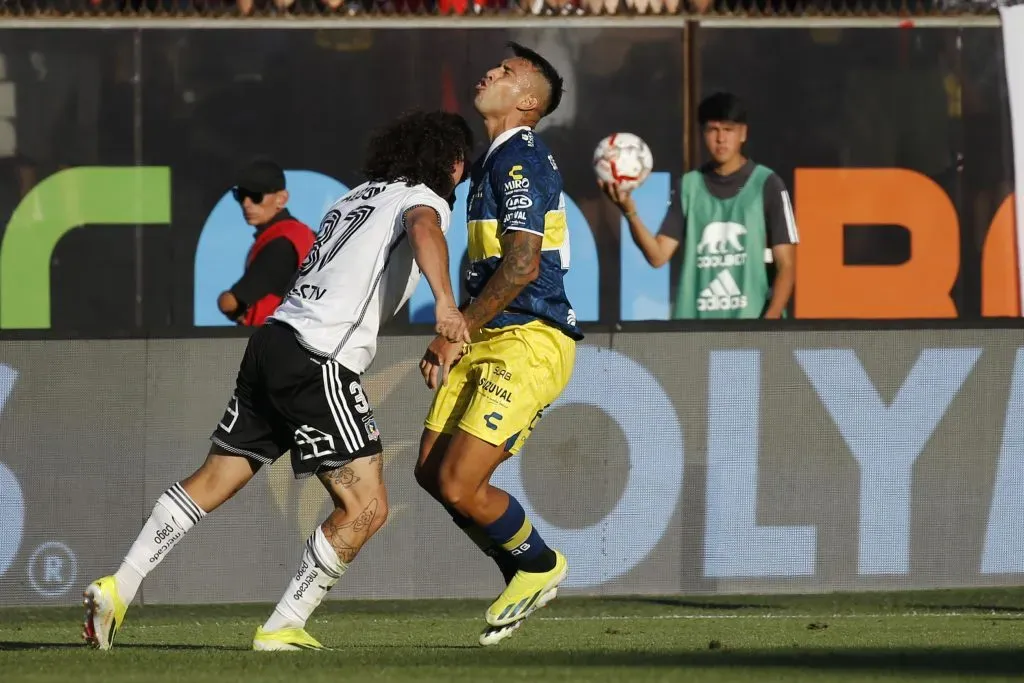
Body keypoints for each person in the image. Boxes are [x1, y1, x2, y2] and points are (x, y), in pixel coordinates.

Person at [82, 110, 474, 652]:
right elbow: (424, 228)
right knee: (368, 507)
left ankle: (118, 586)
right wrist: (447, 307)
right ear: (453, 164)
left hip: (271, 343)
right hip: (319, 357)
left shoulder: (351, 199)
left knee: (217, 477)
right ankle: (284, 623)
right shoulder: (426, 200)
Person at [414, 42, 583, 647]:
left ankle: (538, 566)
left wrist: (454, 326)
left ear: (528, 102)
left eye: (507, 73)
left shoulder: (520, 162)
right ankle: (524, 571)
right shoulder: (491, 162)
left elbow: (522, 266)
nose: (490, 72)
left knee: (461, 484)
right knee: (432, 473)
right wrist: (465, 332)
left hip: (530, 337)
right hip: (491, 334)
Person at [602, 91, 798, 319]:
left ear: (743, 133)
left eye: (728, 129)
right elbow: (658, 256)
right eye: (713, 130)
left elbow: (787, 265)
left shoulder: (768, 185)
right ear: (703, 133)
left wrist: (769, 323)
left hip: (751, 326)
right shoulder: (688, 187)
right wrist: (630, 212)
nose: (721, 139)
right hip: (695, 331)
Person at [216, 158, 316, 327]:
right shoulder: (305, 235)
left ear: (282, 199)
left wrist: (224, 301)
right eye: (240, 195)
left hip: (275, 342)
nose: (246, 204)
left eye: (256, 196)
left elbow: (232, 301)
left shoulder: (280, 244)